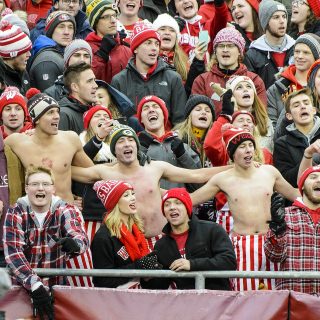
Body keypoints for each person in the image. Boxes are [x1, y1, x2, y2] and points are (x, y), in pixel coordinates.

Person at [72, 123, 230, 249]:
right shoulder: (104, 172)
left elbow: (197, 175)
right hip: (126, 244)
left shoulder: (155, 168)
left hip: (161, 240)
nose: (127, 144)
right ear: (114, 149)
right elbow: (66, 170)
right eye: (121, 141)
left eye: (131, 140)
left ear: (136, 145)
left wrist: (234, 168)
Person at [190, 126, 300, 290]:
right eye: (242, 146)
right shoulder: (222, 179)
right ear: (232, 153)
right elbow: (189, 199)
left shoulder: (269, 172)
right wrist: (155, 192)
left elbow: (296, 195)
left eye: (250, 145)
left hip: (273, 242)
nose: (248, 150)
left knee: (278, 298)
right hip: (243, 246)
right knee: (244, 298)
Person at [3, 166, 89, 319]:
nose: (40, 188)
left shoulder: (66, 209)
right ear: (26, 188)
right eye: (35, 184)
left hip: (56, 289)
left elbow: (80, 235)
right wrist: (35, 285)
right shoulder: (15, 211)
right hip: (22, 290)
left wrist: (75, 244)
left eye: (45, 184)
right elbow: (13, 253)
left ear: (53, 188)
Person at [5, 89, 93, 204]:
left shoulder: (70, 139)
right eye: (50, 112)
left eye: (57, 111)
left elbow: (92, 172)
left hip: (66, 212)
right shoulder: (17, 142)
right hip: (36, 213)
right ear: (36, 119)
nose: (57, 116)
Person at [142, 188, 236, 290]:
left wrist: (192, 264)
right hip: (186, 303)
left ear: (187, 207)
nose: (172, 207)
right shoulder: (161, 245)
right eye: (167, 204)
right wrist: (147, 278)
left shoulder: (212, 230)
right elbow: (161, 285)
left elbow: (229, 262)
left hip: (217, 300)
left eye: (178, 203)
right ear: (164, 212)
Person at [111, 21, 187, 127]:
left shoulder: (173, 78)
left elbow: (180, 122)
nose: (154, 48)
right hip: (132, 141)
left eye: (156, 44)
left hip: (166, 141)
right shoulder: (119, 81)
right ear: (136, 48)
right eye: (148, 43)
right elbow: (118, 120)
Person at [91, 180, 162, 288]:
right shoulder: (103, 237)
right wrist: (139, 266)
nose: (133, 198)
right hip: (116, 300)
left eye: (133, 194)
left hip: (138, 296)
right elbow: (102, 280)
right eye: (126, 195)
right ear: (114, 202)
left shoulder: (136, 230)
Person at [264, 164, 320, 294]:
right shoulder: (285, 215)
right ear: (302, 186)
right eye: (313, 177)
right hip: (293, 299)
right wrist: (277, 230)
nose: (319, 180)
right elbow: (274, 256)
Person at [191, 27, 266, 118]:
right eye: (221, 46)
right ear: (216, 51)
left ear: (239, 51)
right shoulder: (202, 81)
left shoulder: (254, 80)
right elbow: (196, 117)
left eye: (230, 46)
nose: (225, 49)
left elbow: (261, 116)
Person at [136, 95, 202, 191]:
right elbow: (129, 179)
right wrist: (141, 149)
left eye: (155, 106)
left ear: (164, 115)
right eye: (146, 108)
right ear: (141, 119)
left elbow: (199, 184)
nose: (151, 110)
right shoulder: (133, 147)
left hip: (178, 204)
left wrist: (183, 155)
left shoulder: (182, 145)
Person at [268, 33, 320, 131]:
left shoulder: (318, 87)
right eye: (297, 51)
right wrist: (288, 105)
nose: (299, 56)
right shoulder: (276, 89)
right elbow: (271, 130)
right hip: (286, 144)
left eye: (306, 52)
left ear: (316, 57)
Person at [274, 88, 320, 192]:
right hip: (301, 200)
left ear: (313, 110)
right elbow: (286, 181)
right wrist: (310, 158)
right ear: (289, 116)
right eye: (296, 105)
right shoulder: (282, 144)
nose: (302, 106)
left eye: (306, 103)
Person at [244, 0, 295, 89]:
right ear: (266, 22)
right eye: (276, 17)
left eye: (284, 16)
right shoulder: (252, 55)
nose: (282, 21)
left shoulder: (297, 48)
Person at [85, 0, 132, 84]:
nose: (113, 20)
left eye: (114, 15)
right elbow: (84, 80)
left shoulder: (127, 49)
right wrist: (101, 55)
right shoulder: (85, 49)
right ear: (95, 23)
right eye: (106, 17)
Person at [28, 11, 76, 91]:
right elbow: (51, 99)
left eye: (70, 27)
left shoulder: (62, 53)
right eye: (61, 27)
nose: (66, 32)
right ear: (51, 31)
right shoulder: (47, 60)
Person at [226, 75, 274, 152]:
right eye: (239, 87)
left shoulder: (266, 121)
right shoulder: (226, 121)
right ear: (232, 96)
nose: (245, 90)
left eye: (249, 87)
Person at [58, 62, 98, 134]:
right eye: (89, 81)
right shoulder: (63, 115)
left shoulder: (95, 112)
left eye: (94, 80)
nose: (95, 85)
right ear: (75, 87)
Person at [0, 21, 32, 94]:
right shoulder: (2, 82)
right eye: (25, 51)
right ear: (12, 54)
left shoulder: (22, 71)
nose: (29, 54)